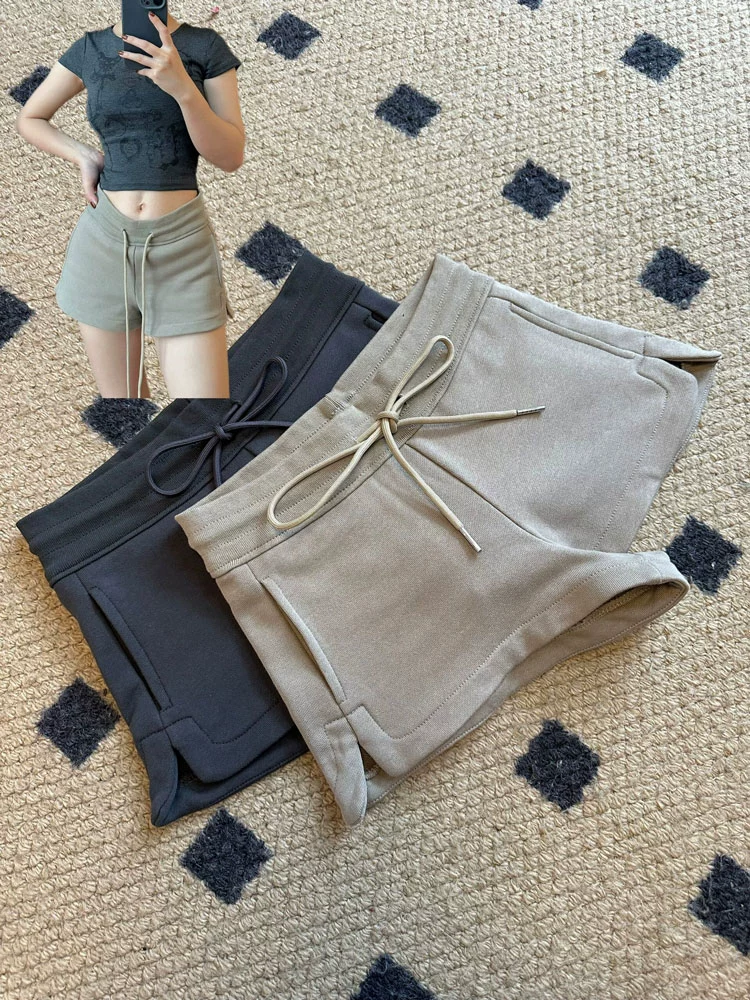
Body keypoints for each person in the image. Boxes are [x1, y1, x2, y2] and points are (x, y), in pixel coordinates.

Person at [15, 10, 245, 398]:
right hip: (103, 243)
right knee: (126, 414)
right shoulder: (90, 48)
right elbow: (31, 118)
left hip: (182, 249)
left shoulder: (205, 46)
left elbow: (230, 157)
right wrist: (84, 156)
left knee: (200, 417)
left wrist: (183, 89)